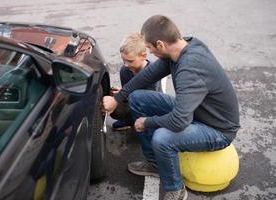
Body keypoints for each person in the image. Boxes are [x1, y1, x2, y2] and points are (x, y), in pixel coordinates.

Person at [103, 15, 240, 200]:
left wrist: (147, 122)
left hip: (218, 129)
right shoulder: (183, 46)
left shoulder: (189, 69)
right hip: (197, 111)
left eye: (150, 48)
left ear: (160, 44)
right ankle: (154, 164)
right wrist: (118, 98)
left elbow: (179, 121)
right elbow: (148, 75)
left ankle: (176, 189)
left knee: (162, 137)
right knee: (137, 98)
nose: (149, 53)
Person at [110, 32, 161, 131]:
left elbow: (148, 101)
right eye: (123, 60)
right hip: (133, 103)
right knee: (114, 106)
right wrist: (120, 94)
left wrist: (125, 95)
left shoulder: (152, 72)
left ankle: (150, 127)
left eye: (130, 61)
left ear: (143, 56)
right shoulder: (125, 71)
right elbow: (128, 93)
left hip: (152, 109)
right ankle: (130, 122)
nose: (126, 64)